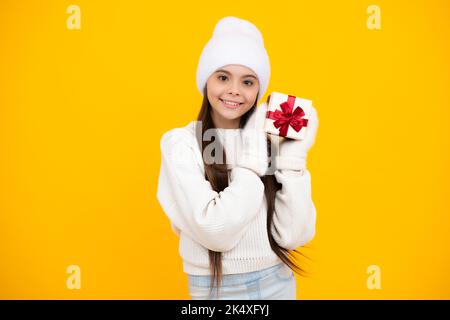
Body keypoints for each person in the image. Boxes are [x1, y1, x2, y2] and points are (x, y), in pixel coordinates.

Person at [156, 16, 319, 300]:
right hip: (215, 289)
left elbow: (292, 236)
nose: (234, 90)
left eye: (247, 81)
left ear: (258, 90)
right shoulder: (180, 143)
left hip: (278, 280)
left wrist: (292, 162)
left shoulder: (271, 139)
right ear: (205, 81)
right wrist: (253, 154)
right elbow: (215, 232)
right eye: (222, 77)